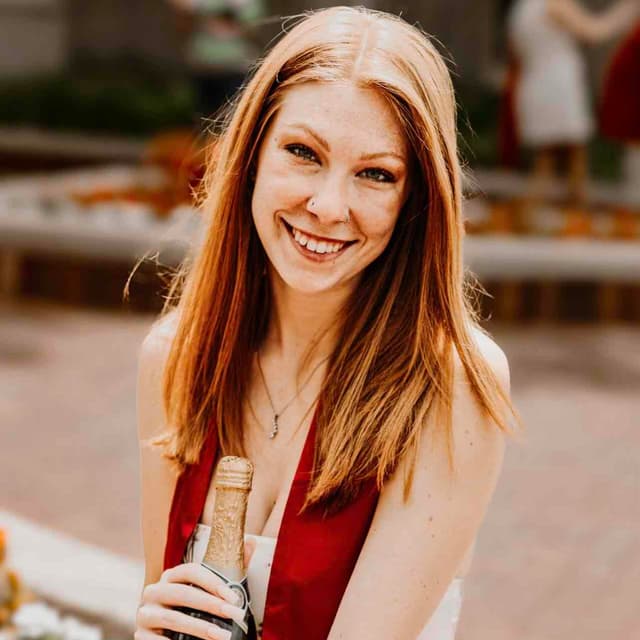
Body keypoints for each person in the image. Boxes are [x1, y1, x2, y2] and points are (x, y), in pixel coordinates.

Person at [135, 7, 515, 640]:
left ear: (416, 199)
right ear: (252, 156)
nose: (329, 206)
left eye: (376, 174)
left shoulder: (448, 384)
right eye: (303, 153)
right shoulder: (174, 357)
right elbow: (161, 610)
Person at [507, 0, 638, 214]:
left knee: (549, 157)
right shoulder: (554, 3)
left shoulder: (523, 7)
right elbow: (593, 31)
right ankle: (571, 213)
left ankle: (548, 213)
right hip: (558, 84)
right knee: (570, 155)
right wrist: (626, 11)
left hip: (533, 83)